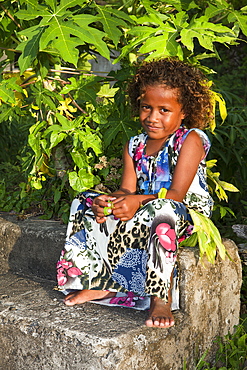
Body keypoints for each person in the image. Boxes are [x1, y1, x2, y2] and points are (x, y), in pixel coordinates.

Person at [56, 58, 214, 328]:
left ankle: (159, 296)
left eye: (164, 110)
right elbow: (126, 189)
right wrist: (111, 202)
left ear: (183, 111)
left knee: (161, 210)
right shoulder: (135, 144)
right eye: (146, 108)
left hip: (184, 215)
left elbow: (175, 194)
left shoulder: (191, 140)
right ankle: (100, 283)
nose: (152, 117)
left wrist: (134, 202)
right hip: (145, 208)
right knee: (84, 202)